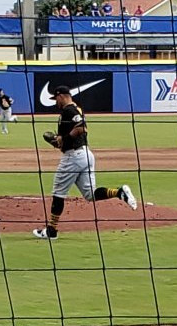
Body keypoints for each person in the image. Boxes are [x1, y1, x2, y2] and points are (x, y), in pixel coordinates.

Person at [33, 85, 139, 241]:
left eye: (56, 99)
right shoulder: (74, 109)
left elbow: (82, 128)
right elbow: (68, 138)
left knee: (58, 193)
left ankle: (51, 231)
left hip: (74, 157)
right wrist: (57, 142)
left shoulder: (69, 110)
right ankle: (119, 192)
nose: (55, 102)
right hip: (85, 155)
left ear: (61, 96)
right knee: (90, 194)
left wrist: (65, 139)